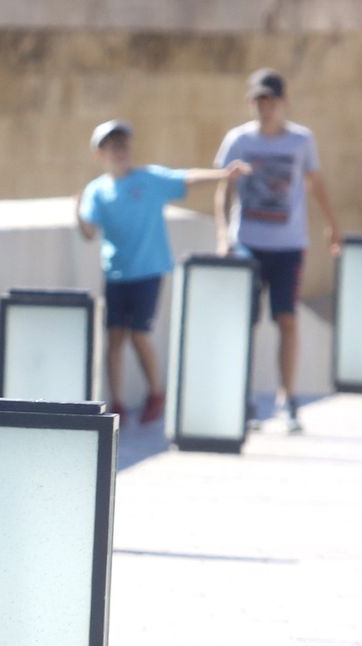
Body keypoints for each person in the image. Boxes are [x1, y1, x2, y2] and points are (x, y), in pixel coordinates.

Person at [76, 119, 248, 423]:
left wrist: (223, 174)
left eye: (124, 145)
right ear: (101, 153)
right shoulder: (98, 191)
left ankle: (155, 392)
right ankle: (116, 401)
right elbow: (89, 231)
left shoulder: (149, 179)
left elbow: (187, 179)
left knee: (140, 334)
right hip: (116, 272)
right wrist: (77, 212)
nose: (121, 151)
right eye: (113, 146)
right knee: (114, 337)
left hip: (148, 270)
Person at [213, 68, 342, 434]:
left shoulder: (301, 141)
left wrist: (332, 224)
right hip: (249, 243)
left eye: (271, 102)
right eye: (259, 102)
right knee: (247, 322)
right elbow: (225, 189)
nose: (265, 109)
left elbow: (315, 182)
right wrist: (224, 235)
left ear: (283, 103)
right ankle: (244, 398)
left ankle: (288, 398)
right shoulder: (237, 140)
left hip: (287, 245)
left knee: (286, 319)